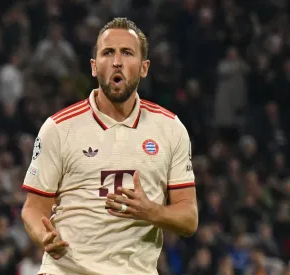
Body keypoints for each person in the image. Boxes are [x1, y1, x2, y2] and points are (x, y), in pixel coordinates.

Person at [21, 17, 198, 275]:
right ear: (94, 67)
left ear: (144, 67)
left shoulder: (170, 129)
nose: (117, 61)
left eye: (127, 53)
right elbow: (33, 208)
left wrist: (152, 212)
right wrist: (43, 236)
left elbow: (189, 218)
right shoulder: (58, 128)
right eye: (108, 53)